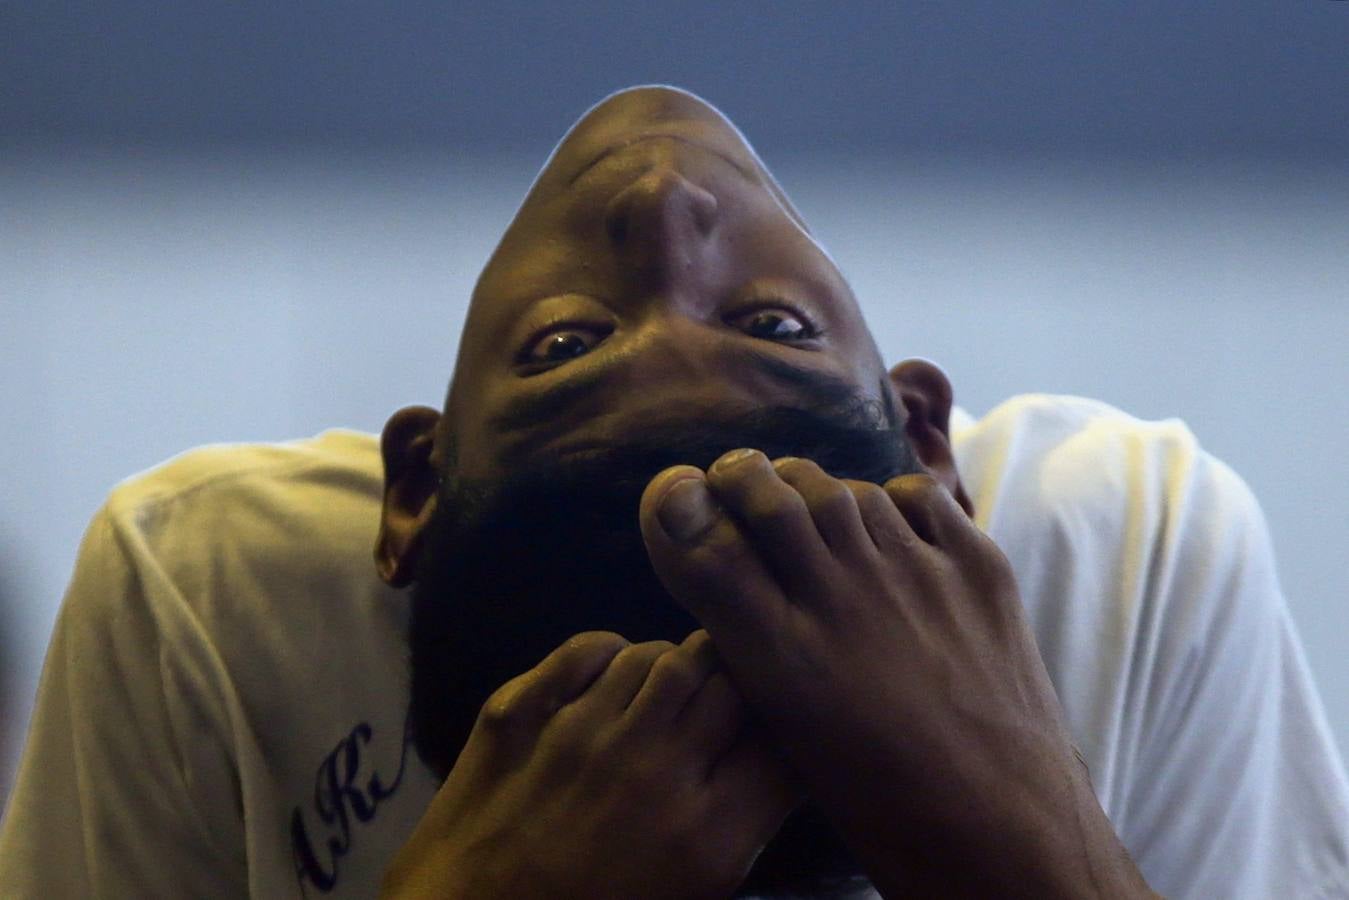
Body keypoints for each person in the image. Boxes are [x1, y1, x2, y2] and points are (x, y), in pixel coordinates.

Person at [2, 86, 1346, 898]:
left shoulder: (1130, 551)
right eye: (775, 334)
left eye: (559, 352)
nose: (660, 207)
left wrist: (1005, 838)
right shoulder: (203, 599)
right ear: (925, 450)